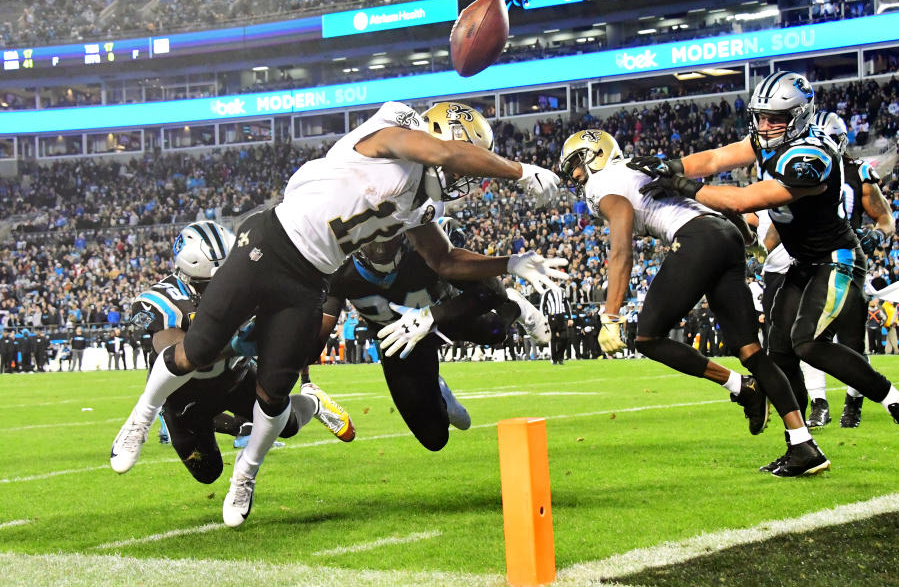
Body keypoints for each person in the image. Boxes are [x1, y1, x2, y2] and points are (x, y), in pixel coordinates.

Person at [110, 100, 566, 527]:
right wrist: (520, 170)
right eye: (466, 154)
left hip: (311, 278)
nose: (465, 174)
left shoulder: (419, 203)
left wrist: (510, 264)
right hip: (270, 243)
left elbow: (444, 262)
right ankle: (140, 419)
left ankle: (244, 478)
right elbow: (443, 152)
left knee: (273, 394)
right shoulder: (393, 132)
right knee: (199, 348)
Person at [631, 70, 899, 458]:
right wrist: (672, 165)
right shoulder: (770, 137)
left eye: (776, 118)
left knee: (807, 342)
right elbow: (717, 157)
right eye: (761, 116)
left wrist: (682, 186)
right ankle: (802, 446)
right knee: (778, 351)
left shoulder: (811, 155)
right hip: (803, 261)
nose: (765, 126)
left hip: (835, 259)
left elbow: (744, 200)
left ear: (801, 116)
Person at [560, 128, 825, 477]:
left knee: (647, 338)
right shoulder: (639, 168)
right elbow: (708, 205)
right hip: (724, 234)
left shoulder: (601, 183)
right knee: (750, 350)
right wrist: (746, 239)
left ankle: (741, 387)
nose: (576, 175)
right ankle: (803, 444)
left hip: (697, 238)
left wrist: (610, 313)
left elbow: (622, 237)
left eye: (577, 165)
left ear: (596, 155)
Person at [125, 221, 354, 485]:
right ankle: (235, 426)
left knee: (288, 425)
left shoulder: (250, 282)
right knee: (208, 472)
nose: (228, 286)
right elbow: (179, 353)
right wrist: (234, 343)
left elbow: (292, 335)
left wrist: (301, 373)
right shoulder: (159, 300)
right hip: (183, 395)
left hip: (237, 378)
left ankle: (313, 402)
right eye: (217, 281)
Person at [319, 218, 549, 451]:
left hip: (446, 315)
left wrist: (432, 316)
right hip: (399, 342)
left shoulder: (424, 246)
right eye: (373, 239)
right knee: (434, 438)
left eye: (386, 238)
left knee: (494, 331)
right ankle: (438, 392)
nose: (380, 248)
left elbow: (491, 292)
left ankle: (517, 307)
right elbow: (317, 332)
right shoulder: (337, 267)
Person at [795, 111, 896, 429]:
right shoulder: (800, 172)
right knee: (809, 337)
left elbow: (886, 220)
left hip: (846, 261)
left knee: (851, 341)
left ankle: (853, 402)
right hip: (811, 261)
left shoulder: (857, 173)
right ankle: (819, 403)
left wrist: (876, 235)